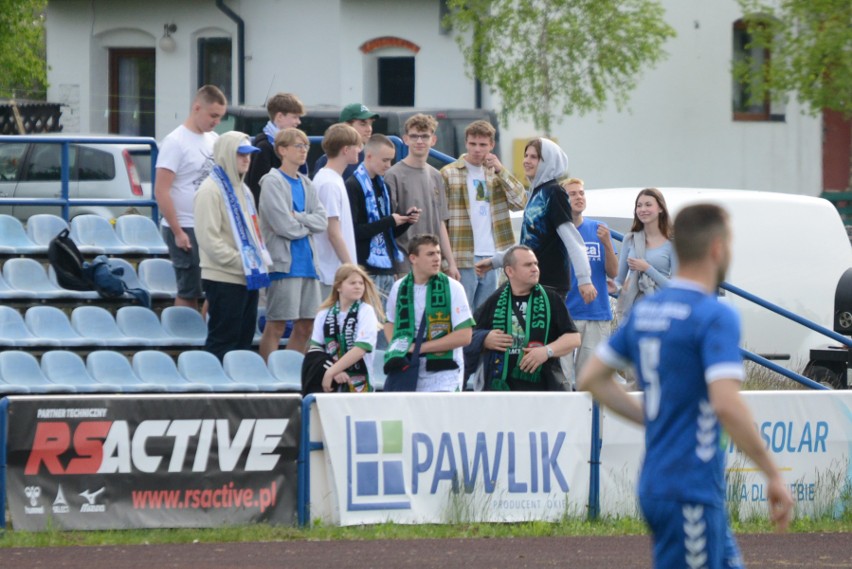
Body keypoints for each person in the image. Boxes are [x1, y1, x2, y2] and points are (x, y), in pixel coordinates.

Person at [577, 203, 793, 569]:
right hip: (688, 487)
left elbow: (591, 377)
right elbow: (726, 404)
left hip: (666, 481)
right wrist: (773, 474)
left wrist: (653, 417)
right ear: (717, 249)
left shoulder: (648, 311)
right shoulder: (714, 314)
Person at [476, 138, 593, 301]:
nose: (527, 161)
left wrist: (584, 279)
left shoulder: (554, 192)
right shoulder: (536, 193)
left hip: (549, 285)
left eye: (534, 157)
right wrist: (495, 261)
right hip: (530, 282)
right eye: (526, 155)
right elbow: (529, 242)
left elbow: (571, 237)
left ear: (549, 162)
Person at [194, 131, 270, 361]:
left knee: (243, 341)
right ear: (227, 154)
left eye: (249, 154)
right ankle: (213, 393)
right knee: (223, 341)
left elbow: (254, 233)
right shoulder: (210, 190)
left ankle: (238, 391)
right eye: (241, 154)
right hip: (224, 277)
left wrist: (258, 260)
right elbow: (209, 240)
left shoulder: (245, 190)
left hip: (248, 276)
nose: (247, 159)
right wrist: (243, 261)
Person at [154, 84, 227, 310]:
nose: (216, 121)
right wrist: (177, 231)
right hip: (185, 225)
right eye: (213, 115)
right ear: (197, 108)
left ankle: (202, 334)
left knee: (212, 287)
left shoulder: (214, 139)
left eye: (220, 117)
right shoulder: (175, 141)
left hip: (208, 224)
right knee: (189, 290)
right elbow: (161, 190)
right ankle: (184, 338)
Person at [258, 128, 328, 360]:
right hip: (284, 265)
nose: (303, 150)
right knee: (277, 324)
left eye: (306, 146)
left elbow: (322, 221)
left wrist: (298, 216)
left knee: (307, 325)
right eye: (298, 146)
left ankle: (290, 370)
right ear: (282, 150)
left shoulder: (307, 183)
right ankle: (269, 373)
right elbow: (282, 226)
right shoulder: (272, 181)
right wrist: (304, 222)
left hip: (309, 264)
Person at [441, 120, 527, 310]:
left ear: (491, 145)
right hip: (461, 254)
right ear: (466, 143)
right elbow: (440, 220)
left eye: (482, 145)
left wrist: (501, 170)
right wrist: (447, 261)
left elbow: (520, 202)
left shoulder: (496, 174)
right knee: (460, 314)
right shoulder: (449, 173)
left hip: (493, 255)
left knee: (485, 315)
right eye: (473, 144)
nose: (477, 150)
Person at [469, 245, 579, 391]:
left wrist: (547, 351)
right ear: (509, 271)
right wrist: (484, 339)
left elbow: (574, 338)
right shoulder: (495, 299)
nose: (535, 268)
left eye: (536, 264)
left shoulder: (551, 298)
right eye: (528, 265)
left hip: (543, 389)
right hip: (502, 389)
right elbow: (467, 335)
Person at [384, 234, 474, 392]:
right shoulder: (399, 287)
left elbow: (465, 335)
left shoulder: (453, 287)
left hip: (445, 370)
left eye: (438, 253)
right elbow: (389, 323)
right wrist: (399, 349)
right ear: (413, 258)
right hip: (407, 368)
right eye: (430, 254)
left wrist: (420, 348)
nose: (437, 259)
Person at [345, 133, 420, 301]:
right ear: (369, 156)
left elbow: (388, 233)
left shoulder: (382, 186)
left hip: (387, 268)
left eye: (391, 160)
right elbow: (354, 231)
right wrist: (389, 221)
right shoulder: (353, 185)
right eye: (385, 160)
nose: (389, 165)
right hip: (367, 269)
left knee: (386, 323)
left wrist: (405, 221)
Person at [385, 114, 459, 279]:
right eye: (414, 136)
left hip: (433, 263)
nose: (419, 141)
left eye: (424, 136)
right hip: (404, 263)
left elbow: (440, 222)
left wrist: (451, 263)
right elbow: (388, 224)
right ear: (405, 139)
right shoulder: (393, 175)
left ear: (433, 140)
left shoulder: (436, 175)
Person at [562, 178, 618, 386]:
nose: (579, 197)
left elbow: (613, 272)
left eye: (581, 193)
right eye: (573, 194)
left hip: (596, 313)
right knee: (563, 380)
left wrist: (607, 244)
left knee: (590, 382)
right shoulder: (557, 231)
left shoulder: (598, 229)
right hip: (564, 314)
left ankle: (591, 420)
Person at [308, 264, 384, 393]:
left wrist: (332, 371)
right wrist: (335, 371)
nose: (358, 286)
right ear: (338, 287)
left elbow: (361, 349)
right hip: (331, 382)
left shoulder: (366, 311)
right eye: (352, 283)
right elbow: (316, 350)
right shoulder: (323, 314)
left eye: (361, 283)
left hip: (360, 383)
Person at [313, 123, 362, 298]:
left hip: (334, 273)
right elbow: (333, 232)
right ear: (346, 149)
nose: (360, 150)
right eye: (357, 146)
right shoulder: (329, 183)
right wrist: (352, 268)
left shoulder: (333, 179)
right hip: (329, 274)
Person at [614, 187, 677, 321]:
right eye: (639, 206)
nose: (643, 210)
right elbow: (619, 280)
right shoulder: (630, 239)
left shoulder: (672, 243)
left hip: (662, 310)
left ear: (660, 208)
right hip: (633, 310)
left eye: (648, 205)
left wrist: (647, 268)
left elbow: (675, 287)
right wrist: (614, 287)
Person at [245, 92, 307, 204]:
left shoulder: (281, 144)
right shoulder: (264, 147)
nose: (298, 122)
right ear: (279, 117)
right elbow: (258, 188)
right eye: (295, 117)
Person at [312, 103, 378, 179]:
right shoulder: (327, 160)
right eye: (363, 124)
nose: (369, 129)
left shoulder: (371, 157)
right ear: (346, 126)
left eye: (371, 124)